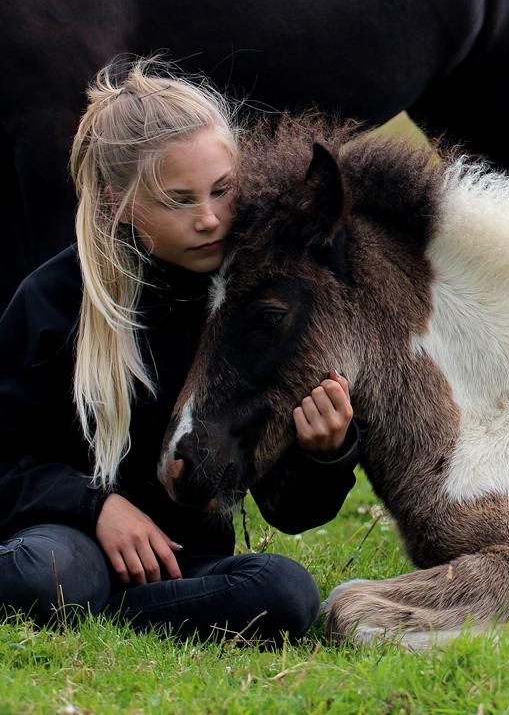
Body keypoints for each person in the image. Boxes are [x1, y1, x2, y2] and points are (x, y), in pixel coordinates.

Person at [0, 58, 360, 642]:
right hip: (63, 543)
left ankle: (107, 622)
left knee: (284, 592)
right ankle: (84, 606)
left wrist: (326, 454)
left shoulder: (255, 306)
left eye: (222, 190)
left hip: (182, 562)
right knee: (50, 577)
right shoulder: (55, 298)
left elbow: (291, 515)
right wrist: (96, 508)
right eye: (179, 200)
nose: (210, 219)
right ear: (120, 202)